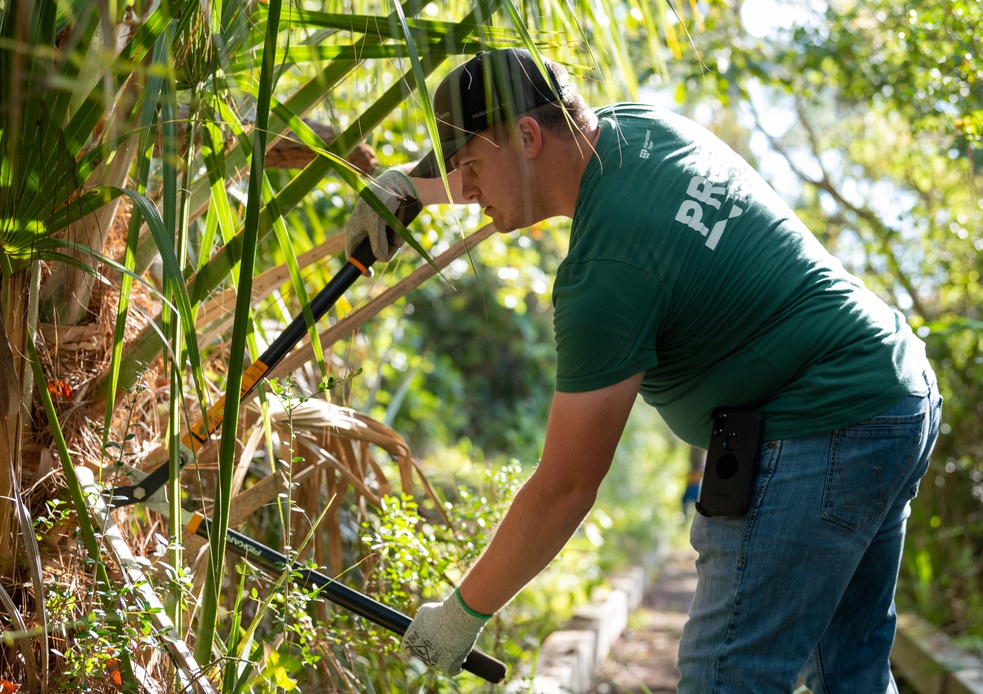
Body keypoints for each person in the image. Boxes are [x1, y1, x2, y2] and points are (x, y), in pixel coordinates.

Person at [344, 48, 941, 693]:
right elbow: (527, 163)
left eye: (469, 167)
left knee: (728, 676)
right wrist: (410, 185)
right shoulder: (641, 129)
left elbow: (566, 486)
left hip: (821, 422)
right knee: (848, 670)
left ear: (526, 136)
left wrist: (461, 615)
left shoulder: (607, 273)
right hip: (892, 389)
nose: (464, 190)